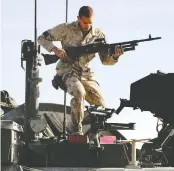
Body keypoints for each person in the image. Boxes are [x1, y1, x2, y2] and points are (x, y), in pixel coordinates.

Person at [37, 6, 124, 135]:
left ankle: (76, 124)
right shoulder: (66, 28)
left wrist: (115, 56)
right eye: (84, 22)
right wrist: (55, 50)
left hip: (86, 74)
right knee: (79, 93)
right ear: (78, 18)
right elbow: (42, 38)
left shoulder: (99, 35)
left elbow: (105, 60)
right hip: (67, 70)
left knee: (101, 108)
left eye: (90, 23)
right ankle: (76, 130)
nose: (87, 26)